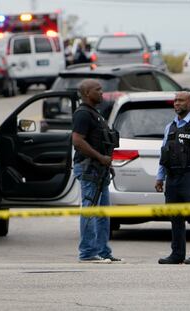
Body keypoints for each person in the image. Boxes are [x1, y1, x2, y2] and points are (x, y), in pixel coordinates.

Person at [72, 79, 123, 263]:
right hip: (89, 169)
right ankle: (87, 253)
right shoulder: (83, 114)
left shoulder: (95, 114)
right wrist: (100, 158)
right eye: (98, 89)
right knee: (90, 211)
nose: (102, 92)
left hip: (100, 170)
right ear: (87, 93)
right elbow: (77, 140)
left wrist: (106, 164)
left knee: (102, 213)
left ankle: (103, 252)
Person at [156, 91, 190, 265]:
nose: (177, 103)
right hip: (173, 178)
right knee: (175, 217)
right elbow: (164, 154)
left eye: (181, 100)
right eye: (175, 100)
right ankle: (177, 254)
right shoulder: (170, 127)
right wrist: (159, 177)